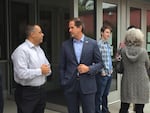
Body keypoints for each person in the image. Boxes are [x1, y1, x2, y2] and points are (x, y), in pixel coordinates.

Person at [59, 18, 104, 113]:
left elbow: (100, 63)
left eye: (72, 27)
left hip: (88, 85)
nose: (69, 30)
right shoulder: (65, 45)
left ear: (79, 28)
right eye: (69, 28)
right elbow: (62, 66)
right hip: (70, 86)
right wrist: (63, 81)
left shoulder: (92, 43)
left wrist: (88, 68)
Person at [11, 24, 52, 113]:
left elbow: (48, 67)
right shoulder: (21, 50)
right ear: (32, 34)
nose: (43, 34)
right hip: (27, 93)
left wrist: (45, 70)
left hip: (41, 91)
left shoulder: (39, 50)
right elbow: (21, 73)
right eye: (40, 32)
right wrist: (40, 71)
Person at [119, 28, 150, 113]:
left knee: (124, 107)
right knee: (140, 109)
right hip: (142, 82)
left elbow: (121, 68)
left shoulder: (123, 51)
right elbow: (147, 66)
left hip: (127, 82)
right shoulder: (143, 52)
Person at [95, 25, 113, 113]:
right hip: (102, 74)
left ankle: (105, 110)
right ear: (102, 33)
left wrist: (111, 68)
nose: (108, 34)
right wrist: (101, 71)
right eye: (107, 32)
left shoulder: (107, 44)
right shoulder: (98, 44)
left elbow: (108, 58)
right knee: (99, 95)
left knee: (105, 94)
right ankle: (97, 111)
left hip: (109, 73)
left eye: (109, 32)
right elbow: (96, 60)